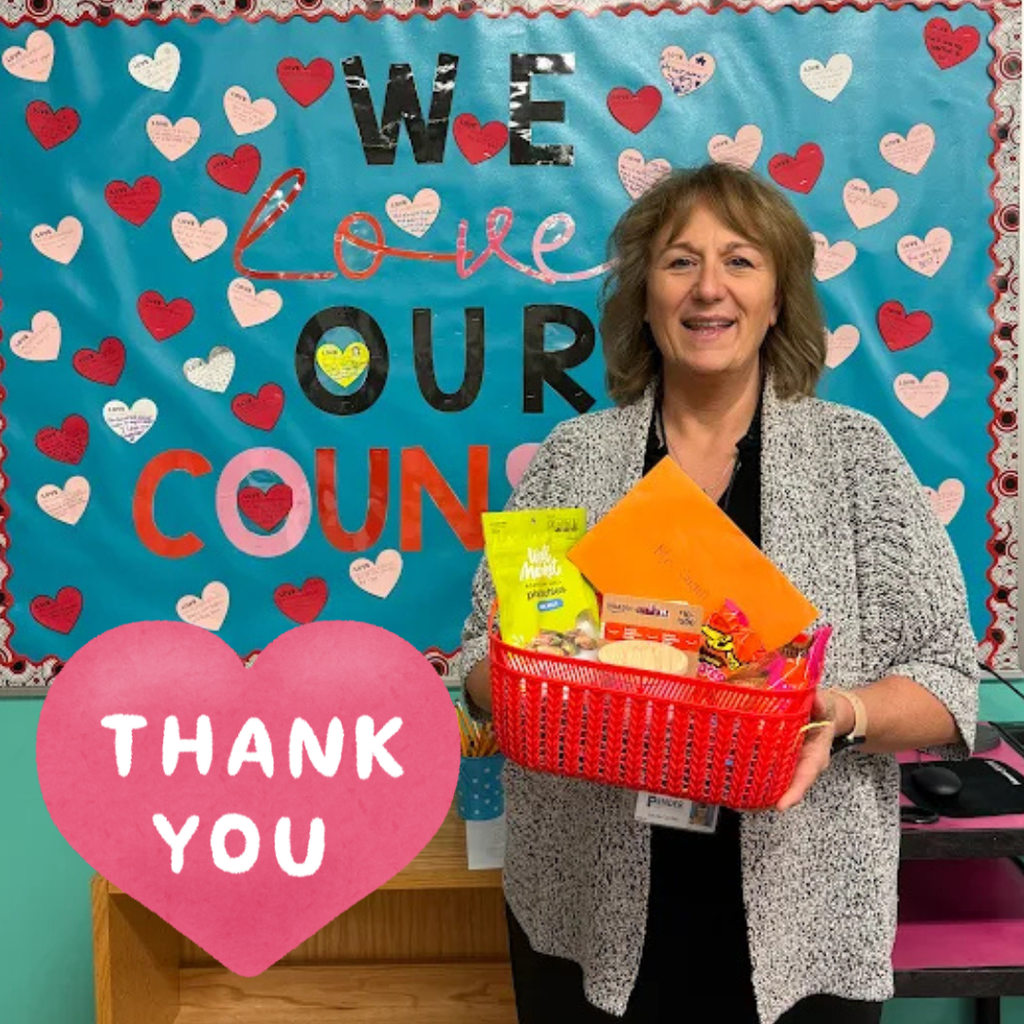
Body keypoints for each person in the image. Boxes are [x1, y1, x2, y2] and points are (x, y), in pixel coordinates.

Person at [457, 162, 979, 1024]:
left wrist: (835, 710)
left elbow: (947, 681)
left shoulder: (856, 459)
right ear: (646, 299)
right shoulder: (574, 457)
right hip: (589, 905)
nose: (709, 289)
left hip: (801, 915)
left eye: (740, 261)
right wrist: (546, 683)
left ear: (778, 299)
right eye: (678, 262)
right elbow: (481, 652)